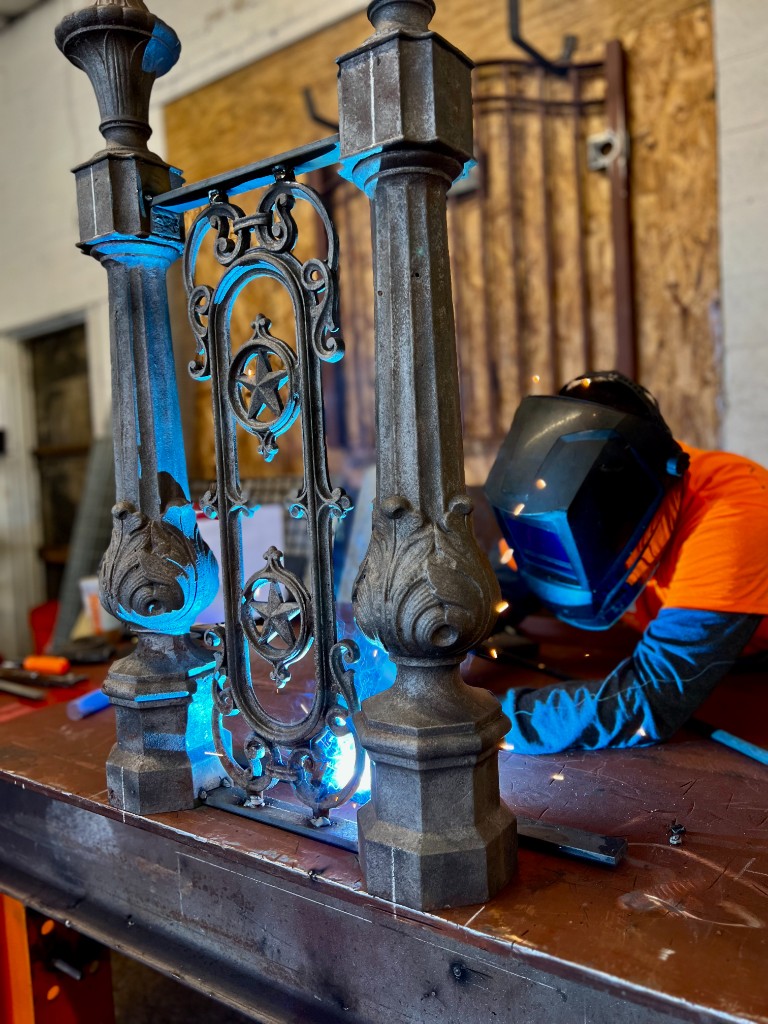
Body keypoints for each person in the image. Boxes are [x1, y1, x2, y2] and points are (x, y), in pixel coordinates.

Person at [484, 371, 768, 755]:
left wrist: (483, 724)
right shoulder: (568, 491)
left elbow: (650, 699)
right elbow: (509, 580)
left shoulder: (734, 520)